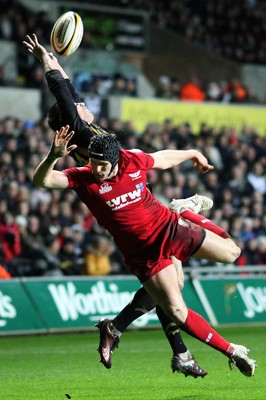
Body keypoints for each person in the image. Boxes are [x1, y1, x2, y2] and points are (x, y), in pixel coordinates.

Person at [22, 33, 210, 378]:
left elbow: (66, 87)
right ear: (70, 118)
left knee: (171, 287)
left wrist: (55, 59)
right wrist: (44, 58)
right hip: (131, 212)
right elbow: (61, 90)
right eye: (77, 106)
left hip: (130, 206)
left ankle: (162, 346)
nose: (83, 103)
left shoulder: (85, 125)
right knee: (169, 288)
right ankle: (162, 345)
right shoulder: (79, 130)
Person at [32, 126, 257, 378]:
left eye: (102, 165)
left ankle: (183, 210)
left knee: (232, 253)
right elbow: (42, 180)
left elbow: (162, 158)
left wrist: (193, 152)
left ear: (116, 160)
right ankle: (233, 352)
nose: (97, 169)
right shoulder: (83, 177)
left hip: (169, 228)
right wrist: (53, 156)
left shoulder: (132, 160)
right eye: (93, 163)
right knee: (176, 310)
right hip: (145, 255)